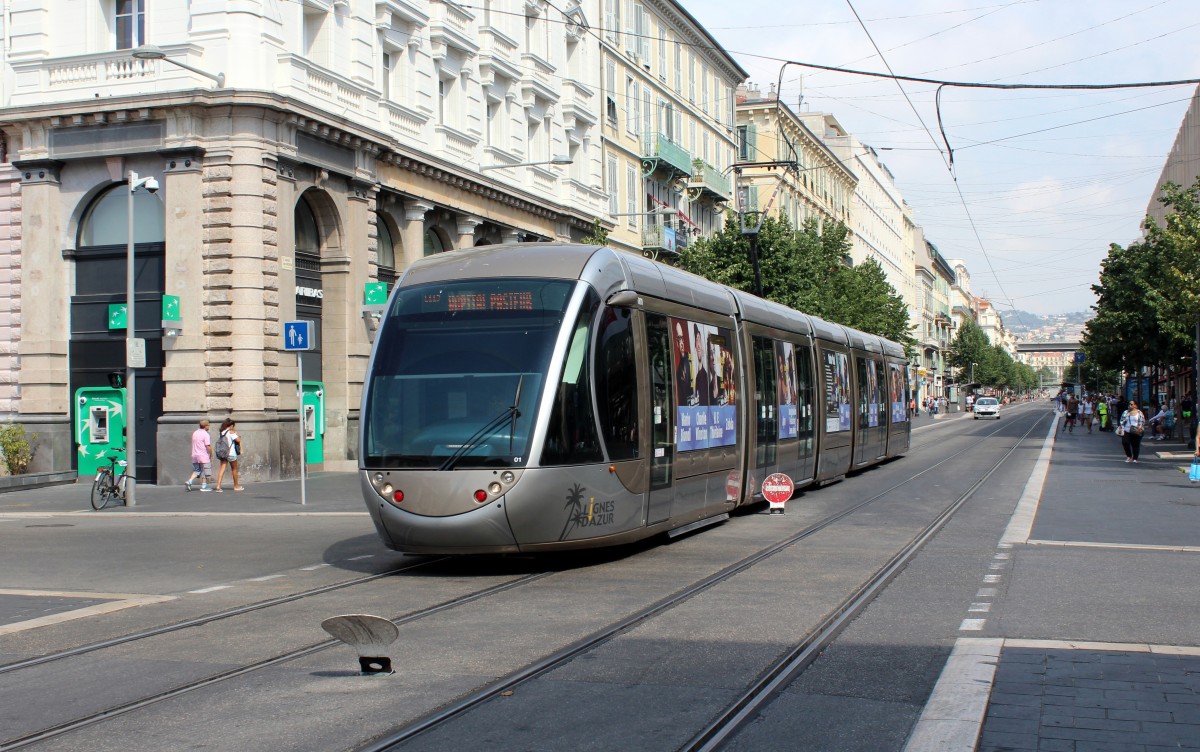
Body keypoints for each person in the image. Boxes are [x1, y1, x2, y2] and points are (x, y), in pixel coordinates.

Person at [214, 418, 245, 492]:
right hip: (231, 453)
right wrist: (236, 434)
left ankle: (218, 486)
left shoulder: (222, 432)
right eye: (233, 426)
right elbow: (238, 440)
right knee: (234, 469)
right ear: (231, 425)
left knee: (222, 469)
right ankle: (236, 486)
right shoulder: (231, 432)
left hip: (223, 453)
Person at [185, 419, 214, 492]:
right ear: (205, 426)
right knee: (205, 471)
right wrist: (211, 454)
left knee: (197, 470)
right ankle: (204, 487)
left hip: (195, 454)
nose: (209, 426)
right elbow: (208, 446)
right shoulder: (206, 434)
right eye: (208, 425)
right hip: (203, 455)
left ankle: (190, 481)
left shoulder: (195, 433)